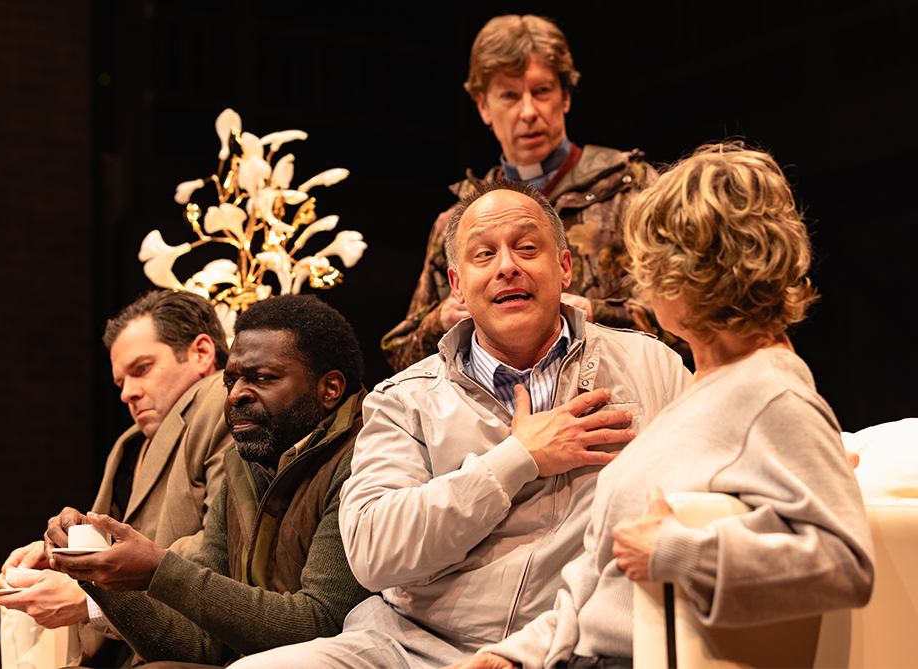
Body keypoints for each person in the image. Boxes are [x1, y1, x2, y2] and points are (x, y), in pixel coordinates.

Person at [227, 180, 690, 669]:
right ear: (457, 286)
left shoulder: (649, 366)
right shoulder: (403, 399)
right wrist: (515, 461)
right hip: (413, 646)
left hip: (568, 646)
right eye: (484, 255)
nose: (507, 266)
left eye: (527, 248)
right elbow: (372, 551)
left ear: (565, 267)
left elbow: (708, 492)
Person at [448, 143, 876, 669]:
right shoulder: (701, 389)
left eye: (646, 262)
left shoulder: (770, 393)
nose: (639, 280)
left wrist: (680, 552)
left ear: (689, 277)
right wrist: (515, 654)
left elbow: (845, 564)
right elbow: (601, 576)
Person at [43, 294, 372, 666]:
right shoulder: (243, 465)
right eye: (230, 381)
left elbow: (322, 623)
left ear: (329, 389)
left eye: (262, 378)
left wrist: (157, 568)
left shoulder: (365, 455)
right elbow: (201, 646)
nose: (236, 395)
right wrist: (92, 568)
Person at [381, 14, 687, 372]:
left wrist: (591, 314)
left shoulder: (630, 188)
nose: (528, 112)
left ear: (566, 96)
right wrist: (442, 320)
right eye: (509, 96)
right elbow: (401, 358)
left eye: (541, 91)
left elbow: (691, 319)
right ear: (483, 106)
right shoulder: (459, 220)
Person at [0, 289, 233, 666]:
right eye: (120, 382)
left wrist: (89, 598)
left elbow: (225, 547)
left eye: (142, 369)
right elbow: (114, 543)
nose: (127, 394)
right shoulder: (129, 444)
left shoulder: (223, 403)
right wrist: (61, 557)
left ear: (201, 353)